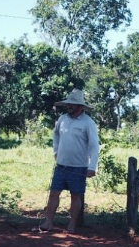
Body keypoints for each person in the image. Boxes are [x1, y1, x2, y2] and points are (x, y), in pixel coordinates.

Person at [40, 88, 100, 234]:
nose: (69, 106)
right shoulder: (62, 119)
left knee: (75, 196)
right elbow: (55, 136)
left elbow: (94, 146)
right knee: (53, 193)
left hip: (79, 167)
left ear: (80, 107)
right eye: (68, 104)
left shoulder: (88, 123)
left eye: (72, 104)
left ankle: (72, 225)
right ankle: (49, 222)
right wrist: (55, 152)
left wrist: (92, 166)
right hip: (61, 165)